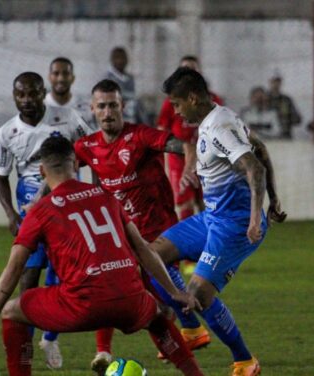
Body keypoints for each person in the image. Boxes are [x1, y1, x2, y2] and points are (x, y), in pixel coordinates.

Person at [0, 136, 205, 376]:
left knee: (11, 311)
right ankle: (195, 374)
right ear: (76, 165)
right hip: (130, 300)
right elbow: (144, 249)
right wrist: (175, 293)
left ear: (41, 171)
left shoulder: (40, 210)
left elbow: (14, 268)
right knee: (156, 314)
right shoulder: (106, 196)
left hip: (81, 306)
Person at [152, 67, 287, 376]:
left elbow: (255, 167)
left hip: (235, 225)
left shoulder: (218, 127)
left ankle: (245, 361)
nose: (174, 111)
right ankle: (191, 330)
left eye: (176, 104)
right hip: (213, 217)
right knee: (152, 256)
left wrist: (256, 217)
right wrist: (275, 200)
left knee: (198, 293)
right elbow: (261, 148)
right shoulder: (219, 117)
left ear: (193, 98)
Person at [74, 79, 211, 374]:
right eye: (102, 106)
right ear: (92, 110)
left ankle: (193, 332)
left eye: (113, 105)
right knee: (116, 291)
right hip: (124, 237)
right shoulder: (87, 146)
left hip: (159, 234)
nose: (108, 111)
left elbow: (183, 144)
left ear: (122, 106)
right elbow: (61, 171)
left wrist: (190, 165)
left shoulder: (140, 136)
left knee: (162, 301)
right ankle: (105, 352)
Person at [0, 72, 94, 369]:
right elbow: (0, 178)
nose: (26, 100)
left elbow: (91, 150)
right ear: (14, 96)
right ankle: (26, 346)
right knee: (28, 278)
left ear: (43, 93)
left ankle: (50, 338)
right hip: (31, 208)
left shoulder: (67, 117)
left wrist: (95, 188)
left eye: (32, 94)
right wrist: (11, 214)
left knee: (65, 273)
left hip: (66, 201)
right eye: (20, 95)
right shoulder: (7, 132)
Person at [157, 55, 224, 223]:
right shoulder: (170, 102)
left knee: (205, 200)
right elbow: (162, 131)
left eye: (192, 69)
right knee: (184, 201)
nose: (178, 111)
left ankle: (207, 234)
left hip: (206, 157)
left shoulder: (213, 102)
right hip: (179, 160)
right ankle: (189, 240)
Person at [45, 57, 95, 126]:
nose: (61, 79)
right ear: (49, 77)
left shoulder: (87, 108)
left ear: (73, 78)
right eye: (56, 73)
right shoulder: (40, 105)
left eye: (66, 73)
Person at [103, 46, 147, 124]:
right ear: (112, 60)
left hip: (130, 114)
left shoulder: (130, 78)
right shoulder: (107, 78)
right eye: (117, 58)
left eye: (123, 58)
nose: (120, 61)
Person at [267, 75, 302, 139]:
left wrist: (287, 117)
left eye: (278, 81)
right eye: (274, 81)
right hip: (268, 135)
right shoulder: (265, 99)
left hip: (284, 134)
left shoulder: (286, 100)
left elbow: (297, 119)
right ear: (270, 82)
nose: (276, 84)